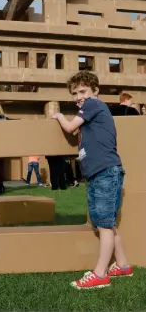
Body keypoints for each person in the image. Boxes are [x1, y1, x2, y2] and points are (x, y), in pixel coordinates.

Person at [51, 70, 132, 289]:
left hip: (106, 171)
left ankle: (100, 273)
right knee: (105, 223)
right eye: (75, 93)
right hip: (98, 173)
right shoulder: (91, 113)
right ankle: (123, 265)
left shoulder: (93, 105)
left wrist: (58, 115)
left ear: (96, 91)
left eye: (83, 91)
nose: (79, 96)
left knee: (104, 224)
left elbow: (69, 127)